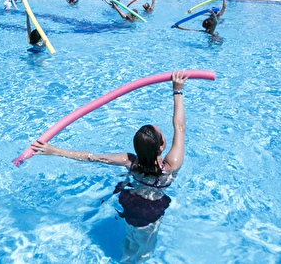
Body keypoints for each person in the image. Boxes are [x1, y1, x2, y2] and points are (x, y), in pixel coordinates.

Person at [30, 70, 189, 262]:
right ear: (161, 147)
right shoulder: (170, 165)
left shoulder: (130, 161)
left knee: (130, 240)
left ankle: (124, 258)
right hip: (149, 212)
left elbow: (91, 157)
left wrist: (55, 150)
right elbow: (180, 128)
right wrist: (177, 91)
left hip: (130, 203)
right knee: (144, 250)